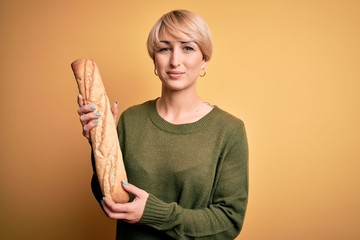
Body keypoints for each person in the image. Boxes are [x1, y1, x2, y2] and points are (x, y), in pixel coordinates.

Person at [77, 9, 248, 240]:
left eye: (187, 47)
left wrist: (154, 213)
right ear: (154, 59)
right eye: (165, 48)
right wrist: (98, 142)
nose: (175, 60)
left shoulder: (229, 130)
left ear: (205, 58)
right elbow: (109, 200)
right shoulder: (130, 120)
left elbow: (229, 222)